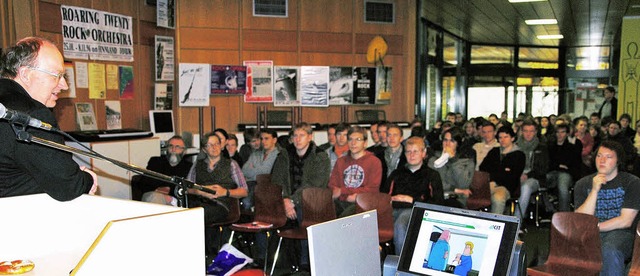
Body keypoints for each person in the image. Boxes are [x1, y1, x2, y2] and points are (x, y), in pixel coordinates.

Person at [0, 36, 98, 201]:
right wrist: (87, 178)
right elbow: (68, 185)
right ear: (25, 74)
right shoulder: (30, 115)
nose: (64, 85)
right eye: (56, 76)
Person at [575, 140, 640, 276]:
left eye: (608, 157)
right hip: (589, 233)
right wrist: (594, 191)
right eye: (599, 156)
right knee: (567, 248)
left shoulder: (632, 182)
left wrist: (595, 227)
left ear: (618, 161)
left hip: (622, 233)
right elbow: (581, 219)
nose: (602, 160)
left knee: (610, 250)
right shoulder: (583, 183)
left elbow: (625, 221)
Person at [186, 132, 248, 254]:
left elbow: (244, 191)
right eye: (209, 145)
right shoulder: (197, 165)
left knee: (196, 215)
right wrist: (200, 191)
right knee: (187, 213)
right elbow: (187, 187)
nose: (214, 147)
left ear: (221, 146)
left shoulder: (231, 164)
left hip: (221, 205)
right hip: (199, 202)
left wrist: (226, 192)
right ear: (204, 149)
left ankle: (200, 253)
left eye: (216, 144)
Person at [381, 136, 444, 255]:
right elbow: (384, 195)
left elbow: (438, 202)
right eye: (408, 151)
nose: (412, 155)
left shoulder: (431, 175)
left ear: (423, 153)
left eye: (415, 151)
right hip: (392, 209)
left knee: (400, 224)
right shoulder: (397, 173)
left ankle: (400, 264)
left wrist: (412, 200)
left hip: (415, 209)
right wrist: (389, 200)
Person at [329, 126, 382, 217]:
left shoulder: (374, 162)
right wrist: (345, 195)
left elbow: (372, 189)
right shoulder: (341, 161)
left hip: (362, 203)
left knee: (344, 218)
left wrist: (343, 191)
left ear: (365, 143)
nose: (353, 143)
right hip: (341, 201)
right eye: (350, 139)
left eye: (358, 139)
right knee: (323, 211)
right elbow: (333, 185)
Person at [479, 126, 525, 215]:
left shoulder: (519, 155)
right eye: (500, 137)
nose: (502, 140)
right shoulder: (494, 151)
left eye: (506, 137)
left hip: (507, 187)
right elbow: (483, 168)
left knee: (498, 198)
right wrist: (502, 171)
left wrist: (494, 179)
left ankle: (495, 225)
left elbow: (513, 176)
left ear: (512, 138)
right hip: (488, 184)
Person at [135, 135, 192, 205]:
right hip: (153, 196)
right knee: (155, 197)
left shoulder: (188, 167)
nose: (173, 150)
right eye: (171, 146)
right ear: (167, 149)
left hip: (175, 201)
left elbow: (187, 189)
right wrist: (159, 191)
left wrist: (169, 193)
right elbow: (144, 183)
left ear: (184, 151)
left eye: (177, 147)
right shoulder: (155, 162)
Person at [241, 129, 287, 210]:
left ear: (274, 140)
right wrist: (258, 172)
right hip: (252, 185)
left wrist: (253, 171)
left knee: (247, 202)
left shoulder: (280, 155)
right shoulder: (256, 153)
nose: (263, 141)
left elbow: (266, 172)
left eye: (266, 138)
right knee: (242, 200)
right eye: (261, 139)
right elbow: (244, 170)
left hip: (269, 186)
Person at [428, 128, 474, 208]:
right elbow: (434, 183)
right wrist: (456, 190)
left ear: (458, 143)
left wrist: (453, 161)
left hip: (457, 199)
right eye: (445, 140)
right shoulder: (434, 160)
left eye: (452, 141)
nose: (447, 144)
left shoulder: (467, 162)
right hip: (436, 197)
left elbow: (463, 184)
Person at [514, 120, 549, 221]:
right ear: (521, 132)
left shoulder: (542, 147)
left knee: (525, 187)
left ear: (535, 132)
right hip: (516, 176)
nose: (528, 134)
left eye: (531, 131)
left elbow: (542, 169)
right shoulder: (515, 146)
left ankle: (516, 222)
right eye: (525, 131)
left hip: (534, 177)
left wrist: (527, 175)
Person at [547, 123, 582, 212]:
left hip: (566, 173)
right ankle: (548, 208)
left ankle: (564, 214)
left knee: (563, 187)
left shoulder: (571, 148)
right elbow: (547, 163)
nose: (560, 135)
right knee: (539, 181)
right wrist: (559, 165)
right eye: (558, 132)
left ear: (567, 134)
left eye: (562, 132)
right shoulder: (549, 146)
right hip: (551, 172)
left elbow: (572, 164)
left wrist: (557, 165)